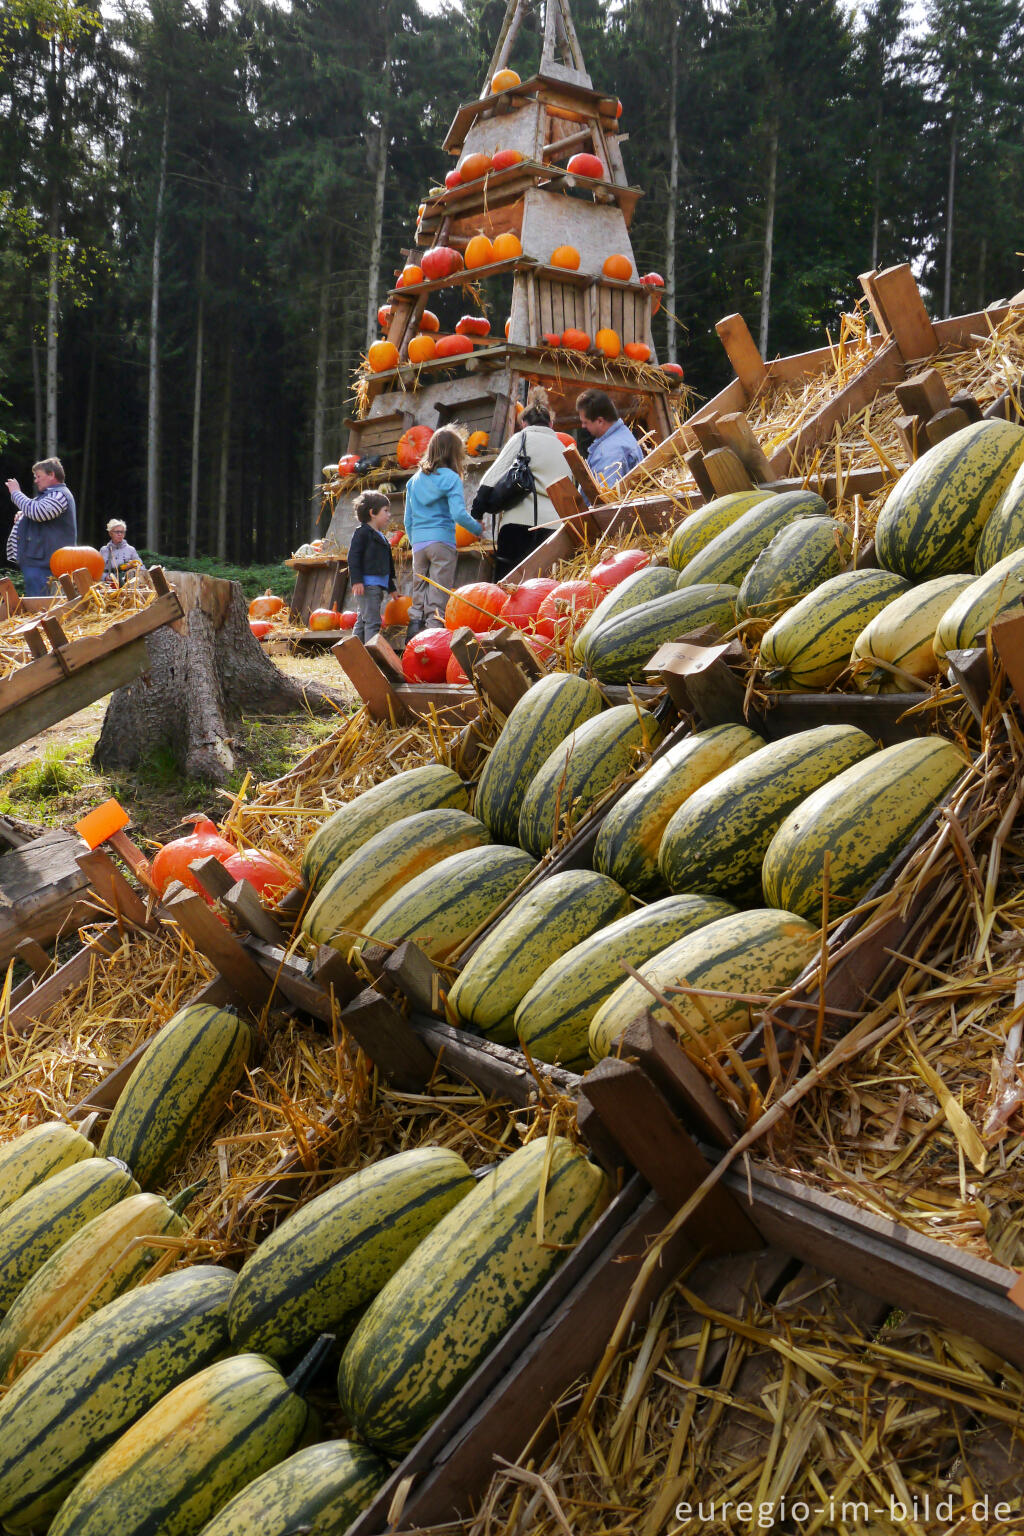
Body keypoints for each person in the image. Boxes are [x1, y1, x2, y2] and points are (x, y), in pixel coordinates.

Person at [475, 386, 572, 579]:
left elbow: (491, 477)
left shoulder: (522, 438)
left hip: (519, 528)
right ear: (551, 424)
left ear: (523, 422)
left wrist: (477, 512)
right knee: (544, 589)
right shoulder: (563, 447)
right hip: (555, 530)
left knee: (509, 587)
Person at [403, 426, 482, 632]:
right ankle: (432, 632)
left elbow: (407, 520)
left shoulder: (414, 480)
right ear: (455, 453)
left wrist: (416, 541)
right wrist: (476, 528)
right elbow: (458, 514)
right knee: (438, 592)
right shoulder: (451, 478)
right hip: (441, 541)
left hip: (419, 544)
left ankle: (413, 631)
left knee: (418, 591)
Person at [4, 457, 77, 597]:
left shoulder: (59, 494)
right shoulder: (50, 495)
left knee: (41, 605)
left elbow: (38, 512)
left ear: (51, 475)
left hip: (44, 564)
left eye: (38, 476)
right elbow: (35, 510)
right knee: (39, 603)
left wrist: (16, 493)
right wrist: (24, 515)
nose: (36, 480)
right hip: (39, 561)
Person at [347, 490, 396, 644]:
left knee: (363, 621)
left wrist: (391, 587)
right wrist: (357, 580)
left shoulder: (380, 536)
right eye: (385, 511)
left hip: (376, 586)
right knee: (373, 622)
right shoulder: (362, 533)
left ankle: (355, 655)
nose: (389, 515)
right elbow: (353, 557)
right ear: (372, 513)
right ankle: (370, 656)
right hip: (367, 586)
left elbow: (386, 565)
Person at [576, 389, 644, 491]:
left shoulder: (609, 453)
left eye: (585, 422)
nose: (583, 426)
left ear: (600, 421)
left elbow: (605, 500)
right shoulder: (623, 436)